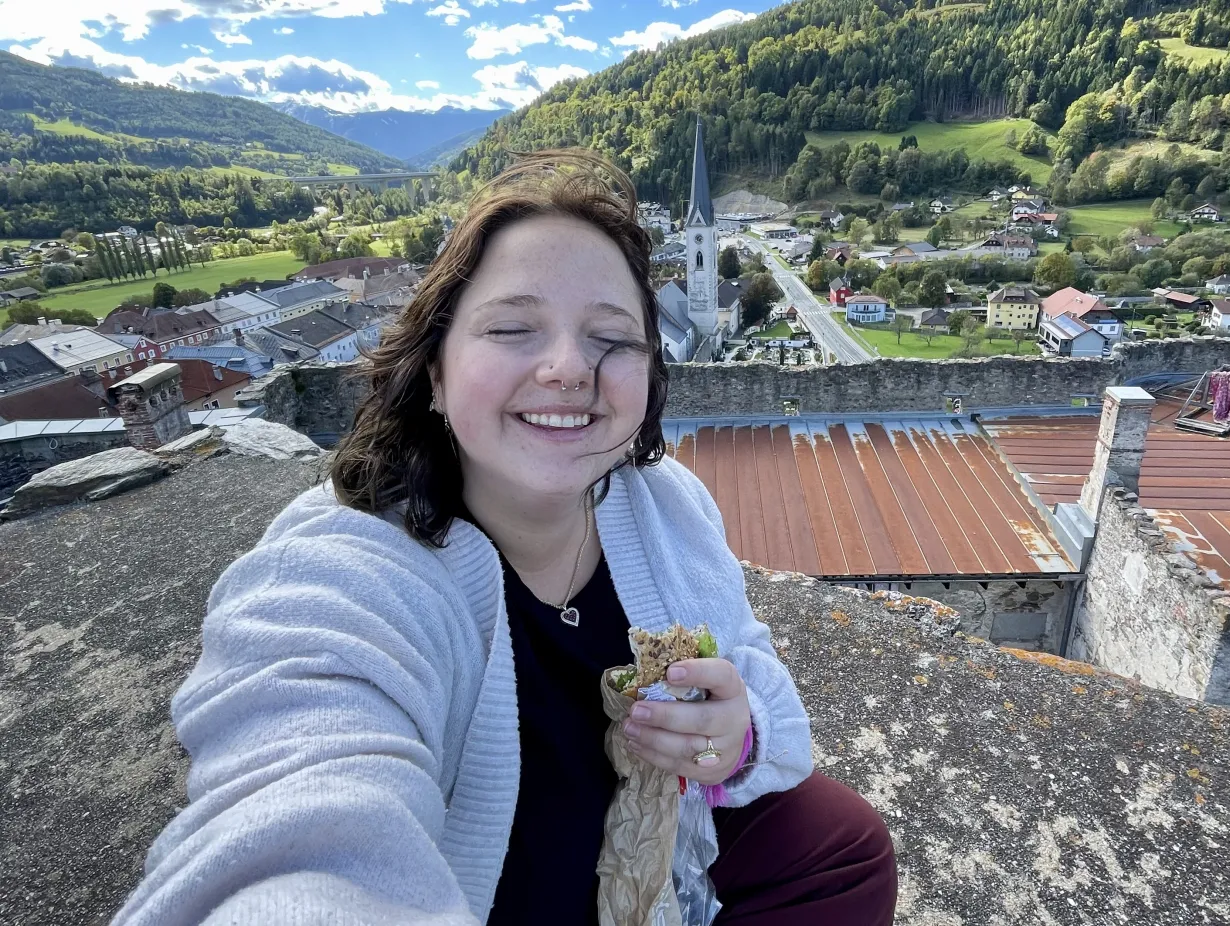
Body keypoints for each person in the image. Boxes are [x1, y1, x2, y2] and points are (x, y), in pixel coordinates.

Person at [112, 149, 897, 925]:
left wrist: (736, 738)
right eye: (514, 327)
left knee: (844, 847)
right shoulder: (342, 575)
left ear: (651, 372)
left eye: (613, 339)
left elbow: (764, 693)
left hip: (644, 856)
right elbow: (298, 807)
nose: (567, 368)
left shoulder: (667, 506)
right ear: (435, 371)